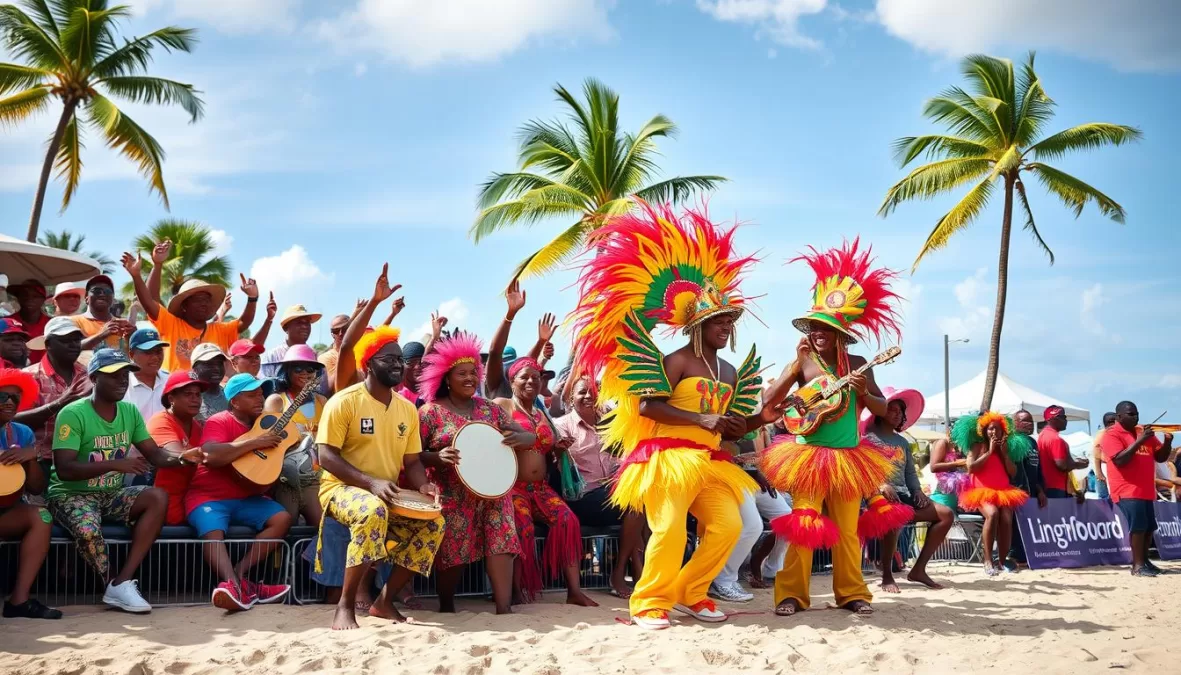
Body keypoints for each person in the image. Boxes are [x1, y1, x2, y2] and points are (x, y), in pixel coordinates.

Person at [570, 203, 779, 629]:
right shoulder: (678, 360)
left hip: (710, 462)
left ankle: (692, 592)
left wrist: (763, 418)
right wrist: (699, 420)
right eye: (718, 320)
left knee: (727, 527)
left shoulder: (730, 371)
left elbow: (732, 429)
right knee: (667, 531)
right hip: (667, 459)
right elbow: (648, 406)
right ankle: (648, 601)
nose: (726, 326)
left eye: (729, 321)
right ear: (697, 324)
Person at [760, 239, 901, 617]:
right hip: (807, 455)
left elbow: (883, 408)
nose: (819, 332)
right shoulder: (803, 364)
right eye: (815, 327)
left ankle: (852, 593)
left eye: (826, 328)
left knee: (847, 532)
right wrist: (793, 365)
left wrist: (863, 394)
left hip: (849, 457)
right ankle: (791, 594)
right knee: (804, 526)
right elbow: (769, 403)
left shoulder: (858, 363)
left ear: (839, 334)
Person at [48, 348, 203, 612]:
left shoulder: (129, 412)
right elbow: (65, 469)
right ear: (95, 378)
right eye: (114, 375)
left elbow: (154, 453)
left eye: (126, 375)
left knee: (157, 496)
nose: (123, 380)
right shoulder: (73, 413)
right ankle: (111, 584)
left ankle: (122, 582)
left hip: (111, 494)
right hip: (70, 494)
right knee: (87, 530)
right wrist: (115, 464)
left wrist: (187, 457)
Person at [315, 322, 445, 631]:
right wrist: (370, 482)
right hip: (341, 489)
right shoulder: (344, 402)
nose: (399, 365)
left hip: (385, 491)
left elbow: (412, 461)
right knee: (371, 511)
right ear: (369, 364)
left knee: (434, 523)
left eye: (400, 359)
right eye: (389, 359)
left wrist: (423, 484)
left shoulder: (407, 409)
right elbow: (326, 456)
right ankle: (345, 607)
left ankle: (384, 602)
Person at [416, 331, 529, 614]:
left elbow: (528, 438)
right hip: (451, 493)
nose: (469, 378)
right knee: (454, 552)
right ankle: (446, 605)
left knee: (500, 541)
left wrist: (520, 439)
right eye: (461, 373)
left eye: (473, 372)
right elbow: (413, 456)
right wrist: (437, 457)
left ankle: (504, 609)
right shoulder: (430, 413)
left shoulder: (490, 410)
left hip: (494, 489)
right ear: (446, 378)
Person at [495, 356, 596, 607]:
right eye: (524, 377)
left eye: (536, 378)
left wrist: (559, 449)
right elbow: (495, 436)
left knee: (567, 521)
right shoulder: (503, 405)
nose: (531, 381)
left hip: (541, 489)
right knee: (522, 528)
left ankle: (574, 591)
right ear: (512, 380)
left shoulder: (542, 414)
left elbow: (548, 453)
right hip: (513, 488)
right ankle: (517, 591)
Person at [189, 373, 292, 610]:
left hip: (248, 497)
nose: (260, 398)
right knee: (213, 529)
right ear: (234, 402)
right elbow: (210, 455)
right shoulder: (219, 420)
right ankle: (235, 586)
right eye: (252, 395)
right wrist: (254, 443)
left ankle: (239, 577)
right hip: (208, 495)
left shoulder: (266, 423)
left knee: (282, 519)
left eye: (261, 394)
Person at [554, 376, 646, 599]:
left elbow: (622, 458)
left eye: (594, 391)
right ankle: (623, 573)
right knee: (635, 504)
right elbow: (560, 468)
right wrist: (559, 451)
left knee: (644, 498)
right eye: (582, 392)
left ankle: (640, 574)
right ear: (570, 397)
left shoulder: (611, 423)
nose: (588, 396)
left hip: (614, 491)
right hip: (583, 497)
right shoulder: (562, 426)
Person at [862, 389, 955, 591]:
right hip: (875, 498)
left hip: (903, 495)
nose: (897, 414)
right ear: (879, 411)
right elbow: (862, 470)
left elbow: (910, 474)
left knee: (946, 514)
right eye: (892, 409)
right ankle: (887, 575)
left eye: (900, 411)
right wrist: (880, 485)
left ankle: (918, 570)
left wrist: (918, 492)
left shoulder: (903, 442)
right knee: (894, 516)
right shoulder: (865, 438)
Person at [123, 240, 259, 372]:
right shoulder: (171, 324)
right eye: (198, 299)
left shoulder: (220, 330)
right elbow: (150, 301)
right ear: (184, 306)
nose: (204, 303)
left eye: (207, 300)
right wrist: (155, 266)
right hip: (176, 393)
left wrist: (252, 298)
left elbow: (243, 323)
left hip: (211, 394)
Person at [0, 368, 62, 619]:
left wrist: (31, 458)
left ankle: (19, 601)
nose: (10, 402)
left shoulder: (21, 433)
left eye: (16, 398)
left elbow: (36, 487)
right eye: (4, 396)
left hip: (7, 510)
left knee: (43, 517)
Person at [1101, 401, 1173, 576]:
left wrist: (1167, 443)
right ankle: (1137, 566)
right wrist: (1140, 441)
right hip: (1126, 489)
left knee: (1149, 527)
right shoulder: (1111, 434)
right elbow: (1119, 460)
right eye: (1130, 414)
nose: (1135, 417)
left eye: (1136, 413)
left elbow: (1161, 457)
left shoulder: (1143, 431)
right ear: (1119, 417)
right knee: (1138, 527)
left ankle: (1145, 562)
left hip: (1146, 489)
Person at [953, 413, 1029, 576]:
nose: (993, 432)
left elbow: (1013, 472)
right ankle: (987, 560)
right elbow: (971, 468)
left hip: (1003, 490)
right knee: (992, 514)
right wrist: (989, 452)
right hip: (981, 491)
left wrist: (1003, 454)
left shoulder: (1005, 447)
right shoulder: (977, 446)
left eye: (997, 429)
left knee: (1007, 519)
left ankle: (1002, 560)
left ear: (1003, 432)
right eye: (990, 429)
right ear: (984, 431)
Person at [264, 345, 326, 527]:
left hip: (315, 480)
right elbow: (266, 437)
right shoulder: (276, 400)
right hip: (284, 481)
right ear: (287, 371)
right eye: (298, 368)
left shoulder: (322, 401)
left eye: (310, 369)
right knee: (283, 534)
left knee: (321, 531)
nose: (305, 373)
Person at [19, 317, 92, 460]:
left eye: (76, 340)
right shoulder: (28, 377)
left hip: (83, 460)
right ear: (48, 344)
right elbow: (13, 422)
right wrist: (61, 402)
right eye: (65, 340)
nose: (73, 345)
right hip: (41, 460)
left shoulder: (88, 375)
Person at [148, 371, 208, 526]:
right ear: (171, 399)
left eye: (197, 395)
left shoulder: (197, 426)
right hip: (164, 507)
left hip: (192, 501)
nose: (195, 400)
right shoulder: (161, 420)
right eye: (188, 394)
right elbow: (177, 454)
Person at [1038, 405, 1088, 499]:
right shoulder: (1056, 439)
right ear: (1053, 419)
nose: (1066, 420)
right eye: (1063, 417)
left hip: (1046, 486)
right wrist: (1079, 464)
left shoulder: (1042, 436)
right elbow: (1062, 466)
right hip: (1056, 488)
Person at [74, 276, 135, 352]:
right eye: (96, 291)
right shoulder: (73, 321)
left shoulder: (123, 325)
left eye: (108, 291)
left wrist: (134, 336)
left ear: (113, 299)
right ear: (86, 297)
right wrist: (101, 335)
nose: (102, 294)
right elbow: (68, 348)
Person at [260, 305, 322, 379]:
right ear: (286, 328)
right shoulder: (273, 356)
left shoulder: (313, 355)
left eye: (307, 322)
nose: (305, 326)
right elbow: (265, 386)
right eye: (299, 322)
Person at [123, 328, 171, 424]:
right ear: (131, 354)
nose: (155, 358)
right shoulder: (122, 386)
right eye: (148, 352)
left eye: (158, 352)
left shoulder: (170, 381)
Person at [9, 280, 49, 364]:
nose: (29, 299)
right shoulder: (7, 322)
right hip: (13, 372)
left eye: (35, 296)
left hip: (45, 372)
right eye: (24, 295)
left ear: (43, 299)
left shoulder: (51, 324)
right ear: (18, 298)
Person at [190, 343, 230, 422]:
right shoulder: (188, 399)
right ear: (194, 369)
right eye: (209, 364)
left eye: (219, 364)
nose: (216, 369)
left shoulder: (231, 396)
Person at [318, 314, 350, 393]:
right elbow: (329, 387)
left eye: (345, 328)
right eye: (336, 330)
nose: (340, 333)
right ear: (332, 334)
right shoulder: (325, 358)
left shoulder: (361, 351)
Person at [1092, 412, 1117, 500]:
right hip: (1105, 466)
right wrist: (1099, 473)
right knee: (1106, 496)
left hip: (1109, 465)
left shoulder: (1111, 433)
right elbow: (1096, 453)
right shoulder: (1103, 434)